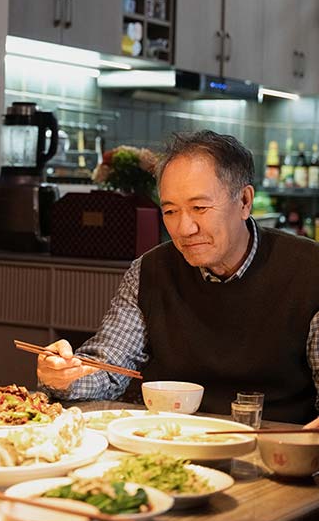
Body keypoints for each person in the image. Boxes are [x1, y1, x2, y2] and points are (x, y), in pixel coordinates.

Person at [38, 130, 319, 424]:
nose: (185, 229)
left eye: (199, 208)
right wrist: (63, 375)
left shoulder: (309, 271)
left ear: (244, 201)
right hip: (169, 436)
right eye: (170, 211)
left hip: (277, 441)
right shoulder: (150, 271)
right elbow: (107, 367)